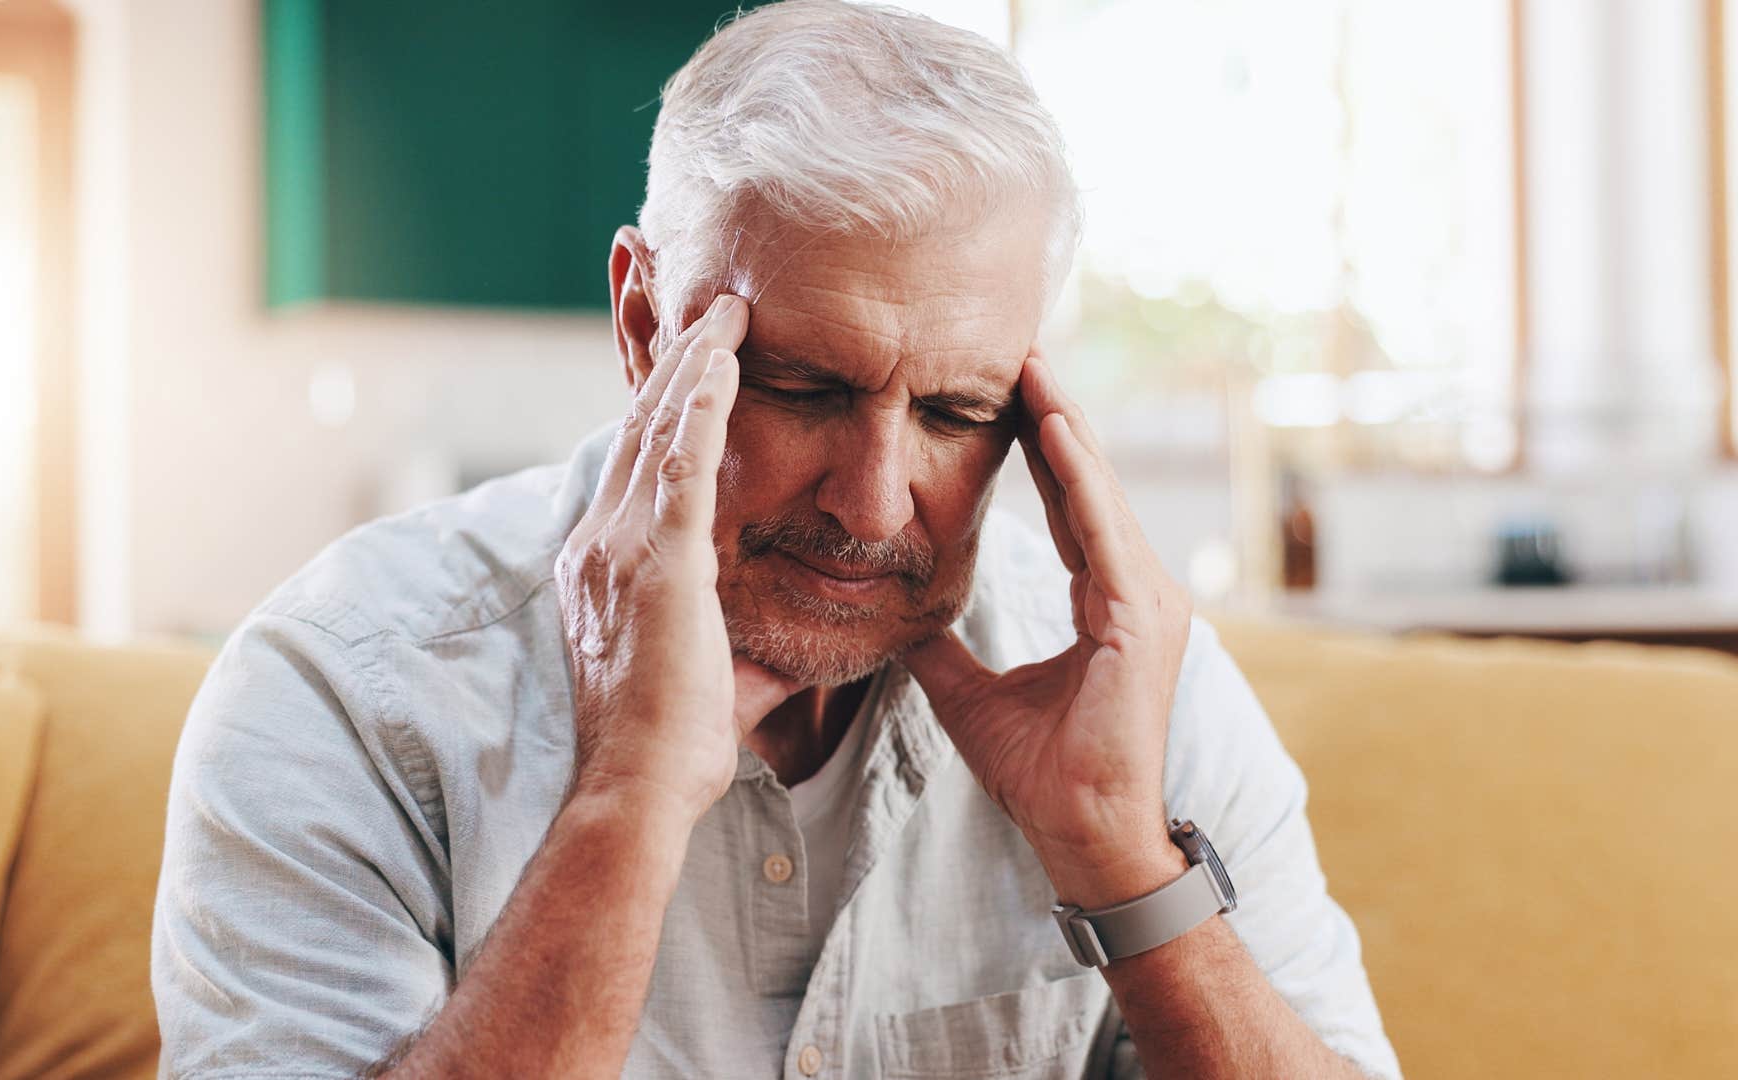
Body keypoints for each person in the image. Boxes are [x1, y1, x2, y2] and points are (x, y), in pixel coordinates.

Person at [151, 2, 1399, 1077]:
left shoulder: (1133, 693)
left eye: (960, 414)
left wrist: (1124, 858)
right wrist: (623, 805)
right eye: (801, 388)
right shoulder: (338, 689)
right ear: (646, 322)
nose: (872, 503)